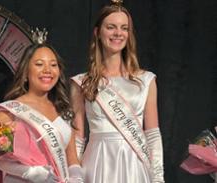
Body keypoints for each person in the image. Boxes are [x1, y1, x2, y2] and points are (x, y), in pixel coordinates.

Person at [70, 0, 165, 183]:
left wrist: (158, 178)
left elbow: (152, 135)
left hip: (134, 165)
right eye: (111, 27)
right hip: (97, 163)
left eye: (124, 28)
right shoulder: (82, 82)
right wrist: (74, 176)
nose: (118, 33)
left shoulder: (146, 81)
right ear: (98, 32)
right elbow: (77, 137)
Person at [0, 29, 84, 183]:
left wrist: (76, 177)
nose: (47, 70)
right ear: (26, 71)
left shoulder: (63, 110)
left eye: (53, 65)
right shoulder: (10, 110)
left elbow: (72, 158)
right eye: (39, 64)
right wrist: (30, 172)